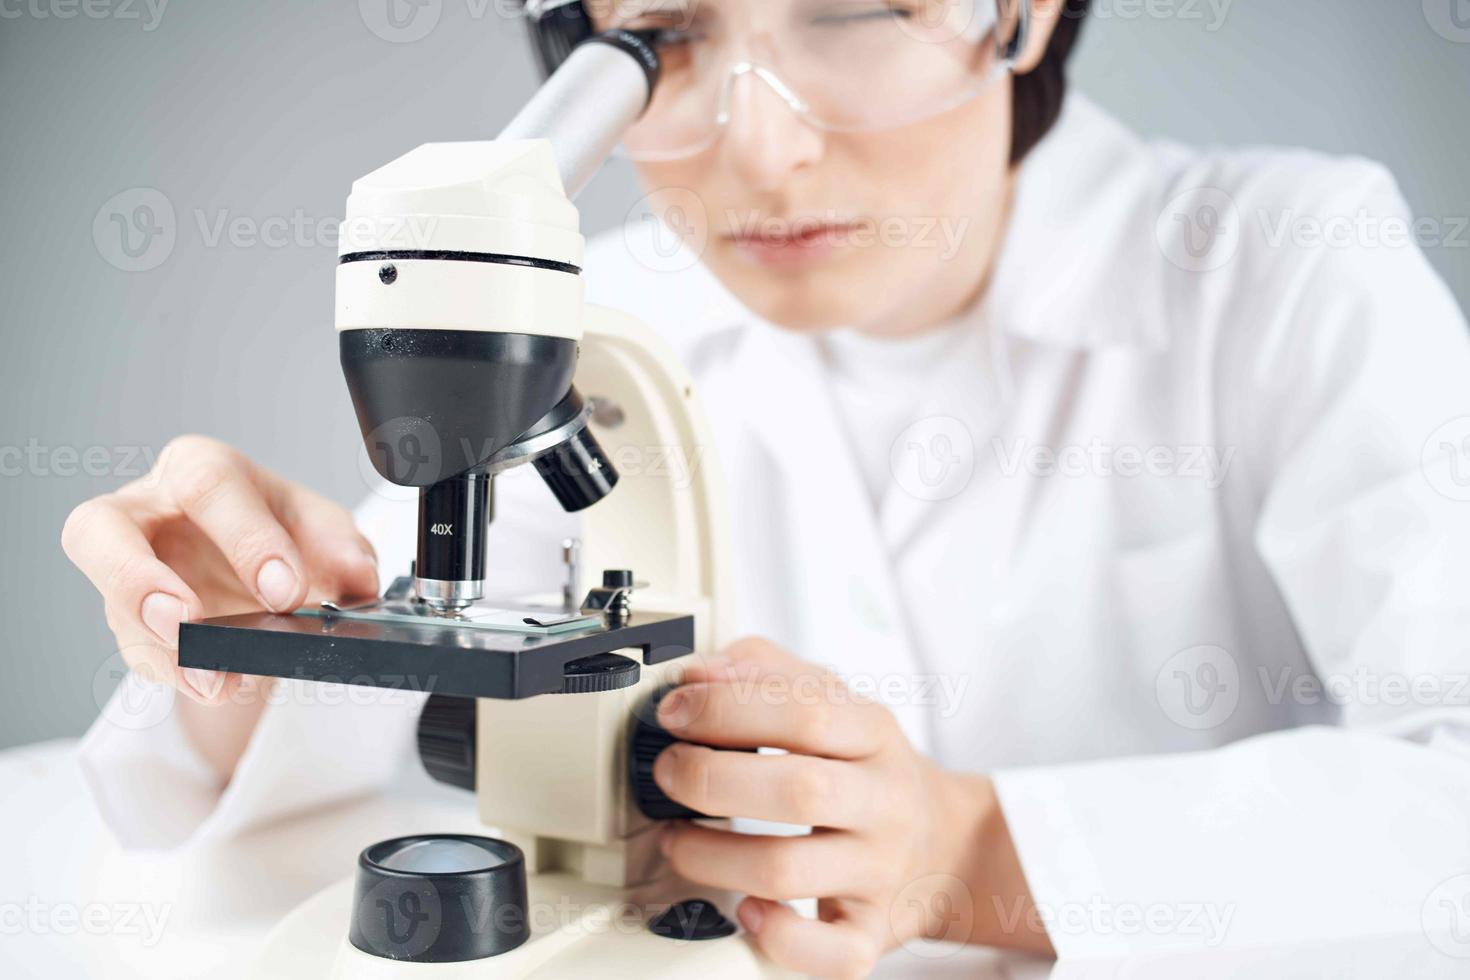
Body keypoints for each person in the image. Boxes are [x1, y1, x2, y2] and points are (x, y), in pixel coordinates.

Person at [64, 1, 1470, 976]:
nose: (762, 148)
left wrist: (971, 853)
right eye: (661, 38)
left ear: (1022, 11)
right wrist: (230, 628)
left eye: (858, 13)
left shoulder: (1285, 261)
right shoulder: (600, 312)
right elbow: (351, 697)